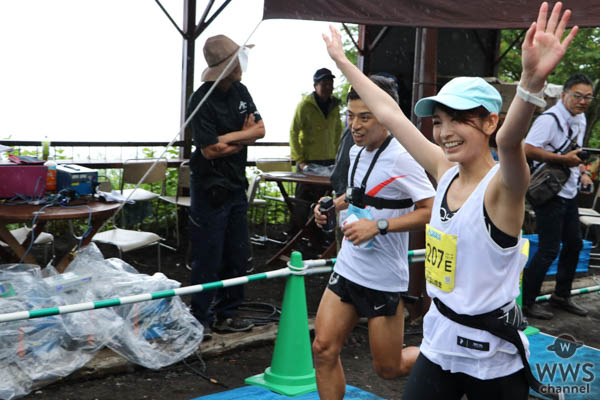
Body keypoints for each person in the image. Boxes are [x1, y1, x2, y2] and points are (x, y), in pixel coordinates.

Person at [323, 2, 576, 399]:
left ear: (491, 122)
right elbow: (389, 113)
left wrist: (530, 84)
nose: (445, 132)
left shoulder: (502, 188)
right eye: (439, 121)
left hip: (491, 358)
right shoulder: (443, 170)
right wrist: (341, 60)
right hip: (439, 344)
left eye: (459, 120)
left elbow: (511, 143)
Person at [312, 75, 436, 400]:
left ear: (387, 114)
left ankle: (445, 357)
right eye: (351, 116)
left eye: (365, 116)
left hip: (383, 278)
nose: (355, 125)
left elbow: (432, 209)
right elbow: (358, 195)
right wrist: (329, 205)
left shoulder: (403, 157)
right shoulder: (355, 151)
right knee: (323, 349)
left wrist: (379, 227)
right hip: (349, 267)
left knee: (388, 369)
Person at [187, 34, 265, 340]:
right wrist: (240, 136)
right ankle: (201, 319)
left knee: (237, 251)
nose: (240, 67)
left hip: (235, 185)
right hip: (208, 187)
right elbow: (208, 150)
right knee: (208, 254)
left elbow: (259, 129)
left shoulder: (241, 91)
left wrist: (227, 139)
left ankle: (228, 314)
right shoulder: (201, 99)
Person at [522, 73, 594, 320]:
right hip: (549, 193)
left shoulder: (581, 118)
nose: (583, 101)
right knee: (549, 249)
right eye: (577, 96)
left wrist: (583, 172)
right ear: (564, 95)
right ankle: (527, 302)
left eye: (588, 97)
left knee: (573, 244)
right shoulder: (549, 119)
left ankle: (561, 296)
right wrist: (563, 160)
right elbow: (527, 148)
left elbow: (578, 152)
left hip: (569, 190)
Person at [289, 68, 344, 233]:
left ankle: (318, 237)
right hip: (309, 162)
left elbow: (338, 132)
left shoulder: (335, 105)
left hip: (329, 161)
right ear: (315, 86)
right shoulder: (305, 105)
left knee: (325, 201)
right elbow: (294, 131)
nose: (328, 87)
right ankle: (294, 236)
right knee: (302, 202)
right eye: (323, 83)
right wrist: (300, 159)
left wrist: (338, 157)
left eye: (330, 83)